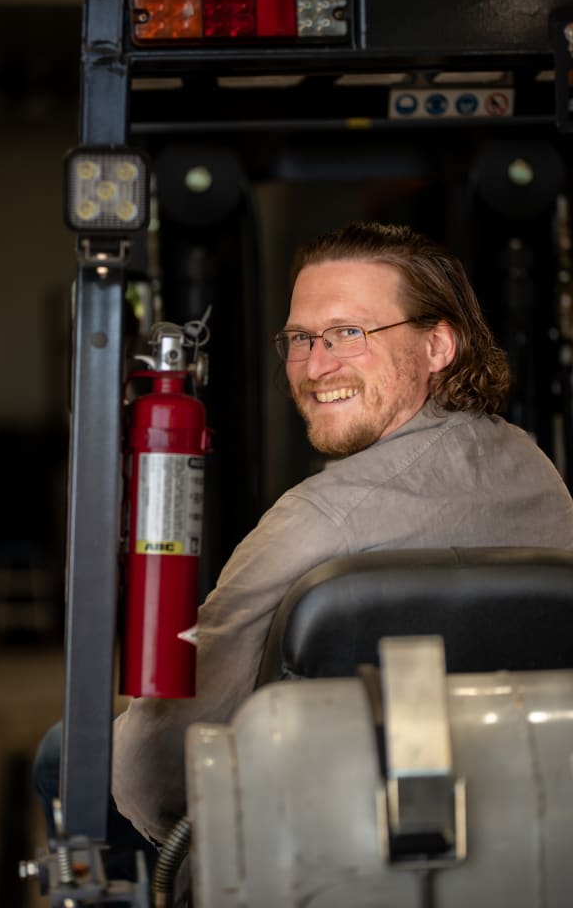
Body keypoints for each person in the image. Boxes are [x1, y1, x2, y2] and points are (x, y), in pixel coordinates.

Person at [36, 220, 573, 858]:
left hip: (320, 827)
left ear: (437, 346)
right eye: (299, 338)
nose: (316, 366)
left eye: (350, 333)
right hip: (524, 807)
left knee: (61, 757)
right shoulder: (538, 471)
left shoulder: (317, 520)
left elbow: (164, 754)